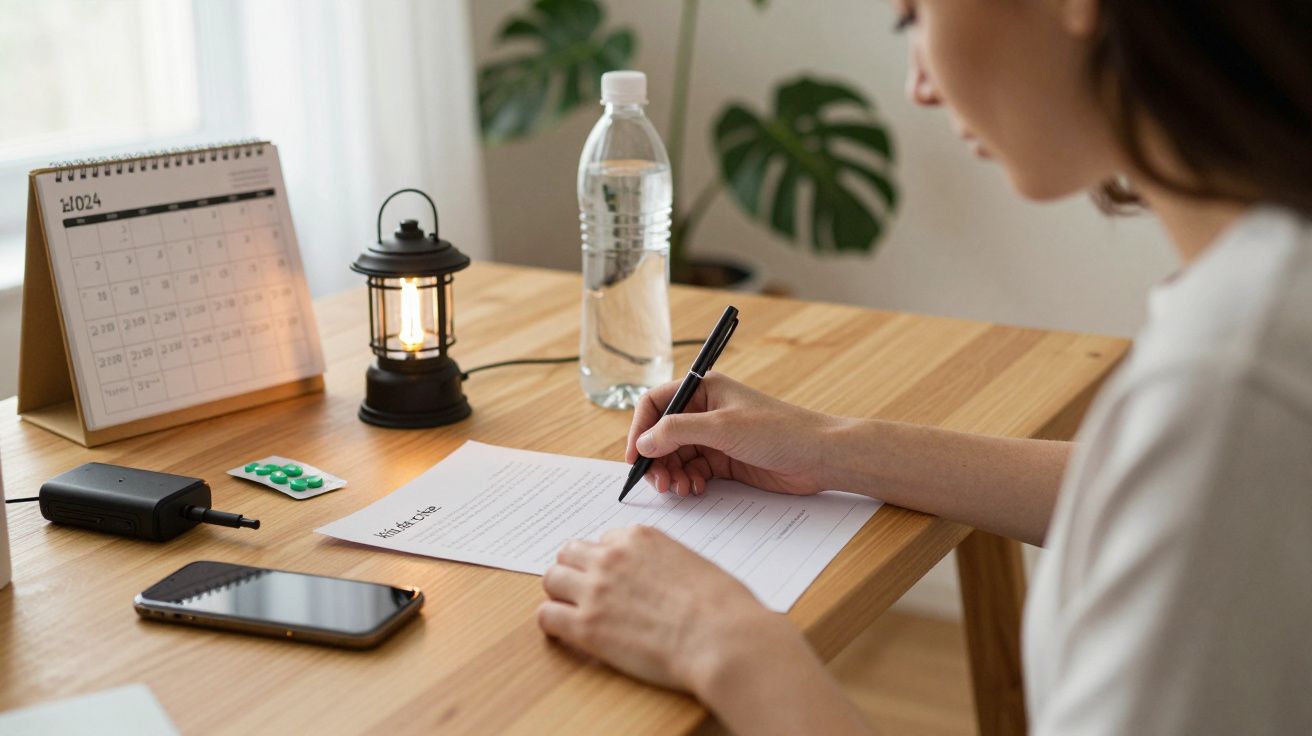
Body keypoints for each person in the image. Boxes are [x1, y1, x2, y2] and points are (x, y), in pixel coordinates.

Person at [537, 0, 1312, 733]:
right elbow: (1161, 495)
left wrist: (723, 640)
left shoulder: (1230, 381)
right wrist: (831, 446)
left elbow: (1199, 466)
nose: (918, 83)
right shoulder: (1265, 299)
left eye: (916, 13)